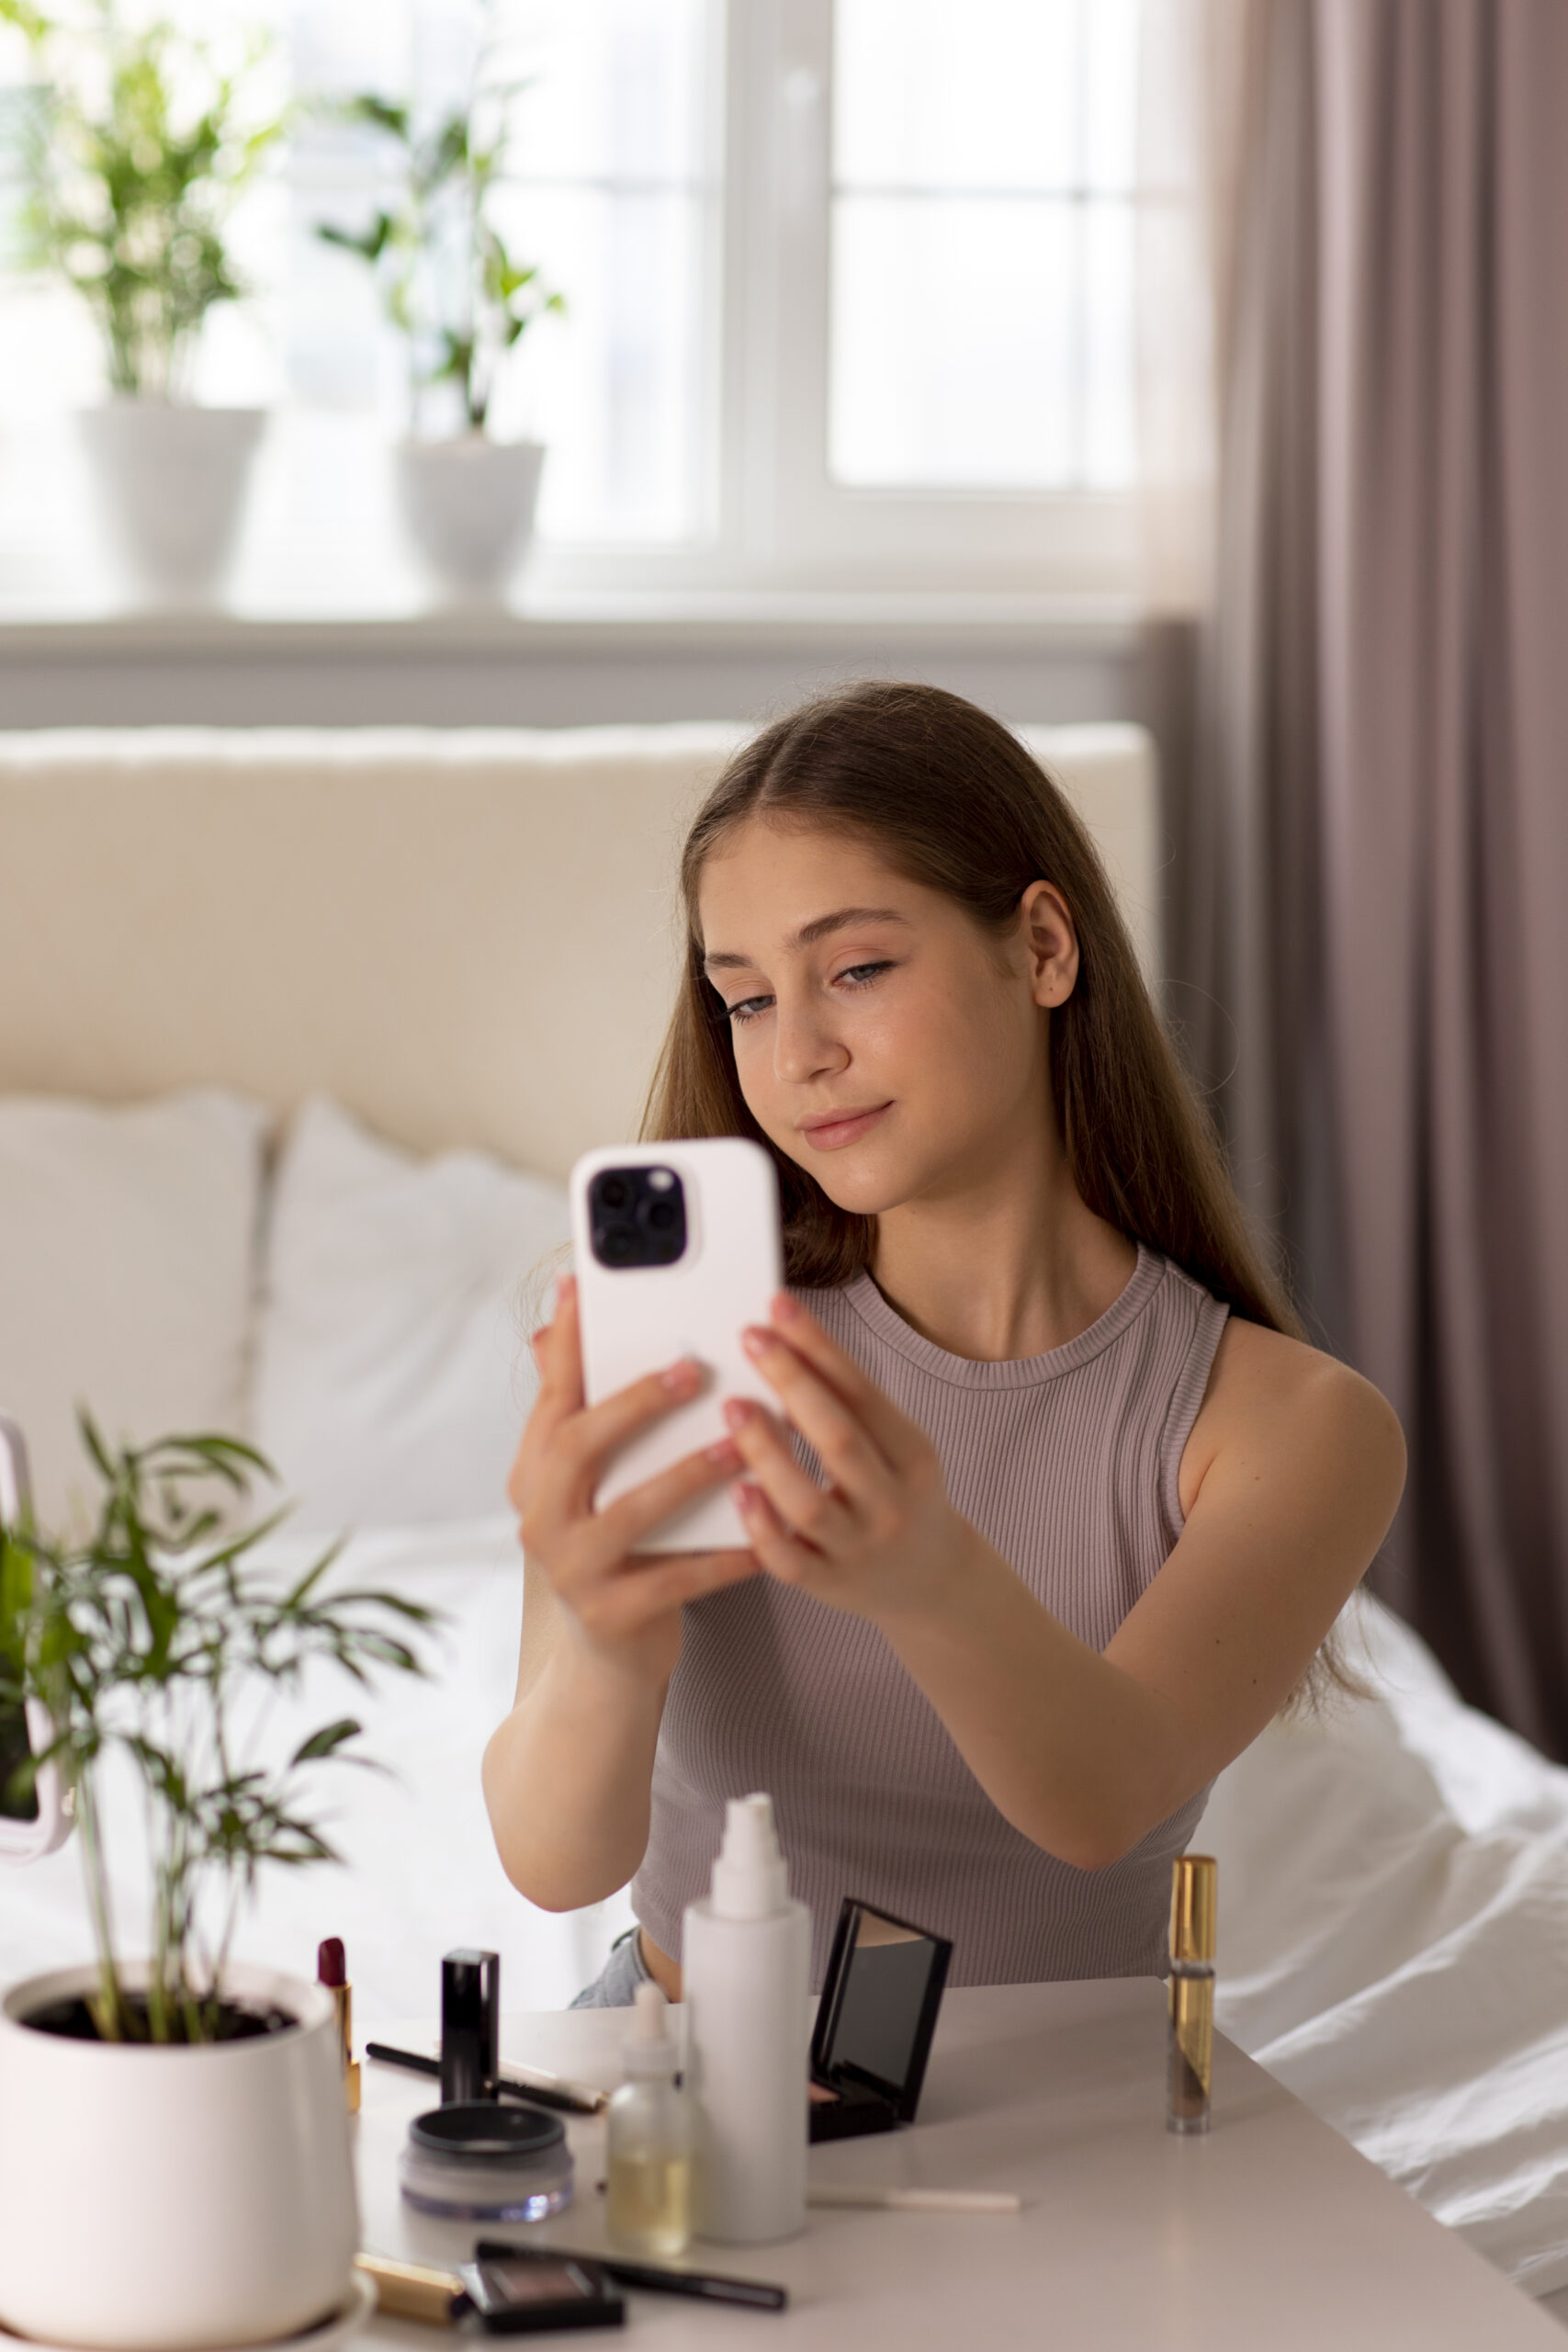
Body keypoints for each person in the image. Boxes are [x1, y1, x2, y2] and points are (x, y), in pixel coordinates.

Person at [482, 682, 1404, 2005]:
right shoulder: (677, 1356)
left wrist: (923, 1574)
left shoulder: (1290, 1427)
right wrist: (610, 1647)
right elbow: (554, 1863)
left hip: (1066, 2119)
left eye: (855, 970)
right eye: (744, 1000)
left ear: (1040, 948)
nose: (797, 1052)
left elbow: (1103, 1801)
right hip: (683, 2080)